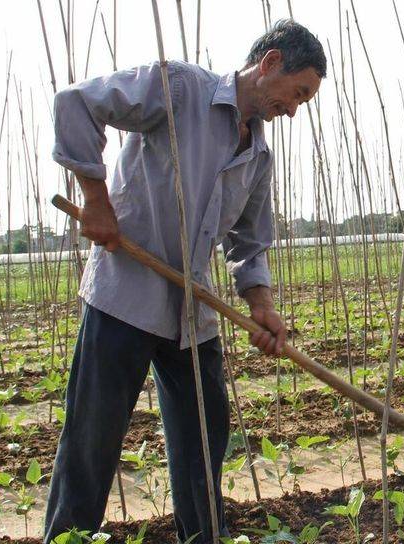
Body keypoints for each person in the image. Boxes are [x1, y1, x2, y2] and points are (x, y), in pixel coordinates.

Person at [44, 19, 325, 544]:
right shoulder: (180, 89)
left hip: (193, 313)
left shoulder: (259, 154)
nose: (294, 108)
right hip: (124, 297)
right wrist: (97, 201)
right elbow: (76, 103)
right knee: (92, 442)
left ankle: (203, 538)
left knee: (204, 440)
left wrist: (261, 304)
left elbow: (250, 242)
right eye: (299, 92)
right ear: (270, 63)